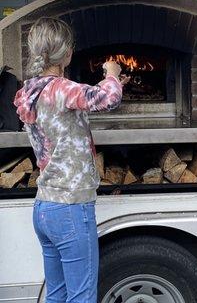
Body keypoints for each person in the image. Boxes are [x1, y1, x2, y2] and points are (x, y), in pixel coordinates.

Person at [14, 17, 126, 303]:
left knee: (58, 296)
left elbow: (87, 99)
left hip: (44, 207)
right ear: (66, 53)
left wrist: (111, 84)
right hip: (71, 208)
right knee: (81, 297)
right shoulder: (60, 89)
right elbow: (108, 100)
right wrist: (111, 72)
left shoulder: (30, 91)